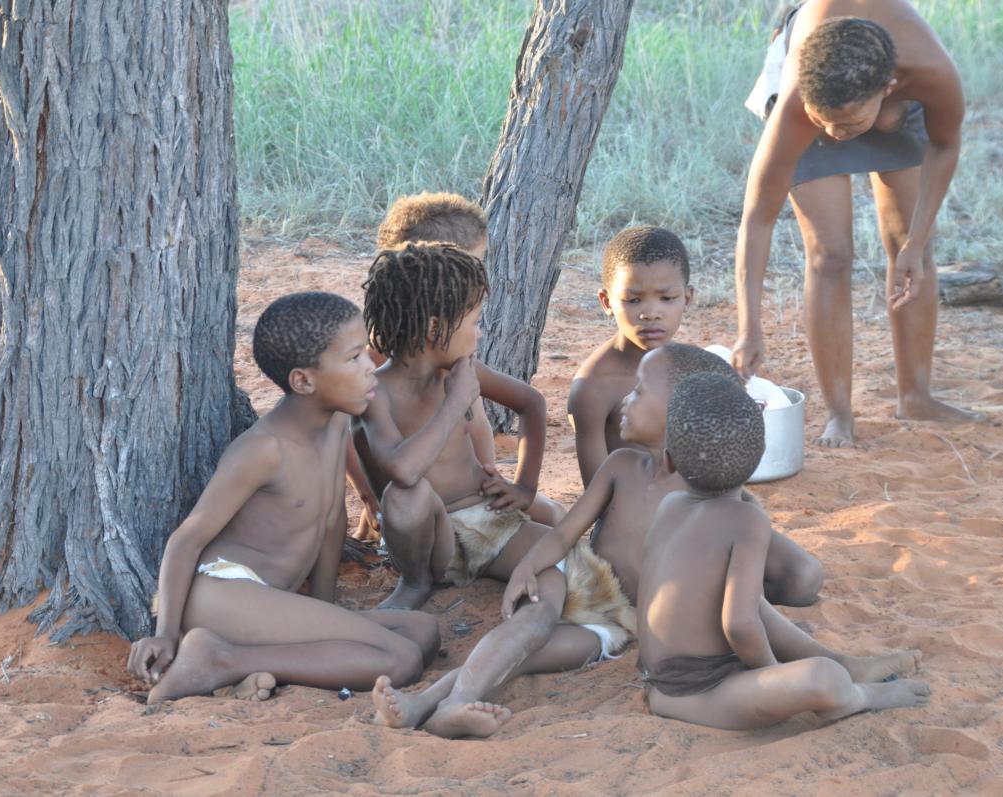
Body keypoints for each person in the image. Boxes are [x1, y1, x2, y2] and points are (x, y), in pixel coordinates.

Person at [367, 344, 821, 738]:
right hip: (578, 573)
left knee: (528, 655)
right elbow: (566, 533)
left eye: (641, 391)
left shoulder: (718, 500)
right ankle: (440, 702)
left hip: (617, 620)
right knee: (528, 625)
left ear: (677, 415)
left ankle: (435, 706)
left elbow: (747, 581)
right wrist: (529, 567)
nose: (626, 398)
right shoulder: (622, 466)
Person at [127, 293, 439, 703]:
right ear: (303, 381)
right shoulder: (264, 449)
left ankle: (244, 664)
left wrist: (327, 610)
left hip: (267, 603)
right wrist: (165, 633)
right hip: (223, 592)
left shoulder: (337, 419)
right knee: (400, 660)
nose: (371, 369)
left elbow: (330, 521)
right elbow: (187, 538)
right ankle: (219, 661)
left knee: (423, 632)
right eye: (353, 358)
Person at [733, 0, 980, 448]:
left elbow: (945, 146)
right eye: (822, 122)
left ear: (889, 87)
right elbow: (758, 216)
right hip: (817, 71)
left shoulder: (931, 71)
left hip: (888, 94)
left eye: (847, 124)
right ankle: (839, 415)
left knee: (912, 246)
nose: (831, 134)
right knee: (830, 257)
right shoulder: (799, 101)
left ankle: (916, 396)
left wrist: (917, 240)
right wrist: (749, 326)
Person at [637, 372, 930, 729]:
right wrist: (775, 678)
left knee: (753, 603)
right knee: (823, 679)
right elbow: (740, 626)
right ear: (761, 458)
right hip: (699, 694)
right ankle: (858, 696)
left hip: (663, 678)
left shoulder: (670, 505)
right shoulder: (746, 520)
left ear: (668, 461)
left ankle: (846, 662)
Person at [353, 243, 553, 612]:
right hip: (431, 544)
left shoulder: (462, 370)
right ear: (434, 328)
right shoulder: (375, 394)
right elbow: (402, 469)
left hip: (487, 517)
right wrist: (456, 402)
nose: (478, 334)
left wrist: (524, 486)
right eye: (474, 321)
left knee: (564, 545)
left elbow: (531, 404)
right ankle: (415, 586)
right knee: (406, 494)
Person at [361, 192, 564, 534]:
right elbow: (355, 439)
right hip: (430, 512)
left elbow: (530, 402)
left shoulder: (457, 354)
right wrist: (370, 500)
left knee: (557, 517)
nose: (477, 275)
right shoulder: (375, 366)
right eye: (471, 262)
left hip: (485, 491)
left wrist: (524, 487)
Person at [568, 226, 694, 488]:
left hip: (688, 514)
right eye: (633, 300)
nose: (650, 313)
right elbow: (597, 496)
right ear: (607, 302)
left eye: (667, 298)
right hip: (628, 521)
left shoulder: (692, 368)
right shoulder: (593, 387)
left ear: (687, 298)